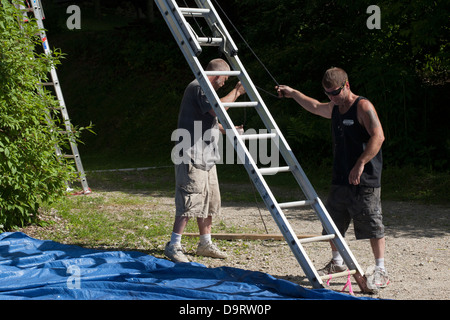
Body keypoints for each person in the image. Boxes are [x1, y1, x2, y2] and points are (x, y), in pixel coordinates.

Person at [276, 67, 389, 291]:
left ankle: (380, 269)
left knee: (372, 223)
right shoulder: (335, 107)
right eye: (328, 93)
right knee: (332, 223)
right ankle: (337, 263)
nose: (331, 98)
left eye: (335, 93)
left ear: (346, 85)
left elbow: (379, 136)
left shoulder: (362, 106)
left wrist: (360, 163)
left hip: (364, 178)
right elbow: (316, 107)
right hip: (340, 176)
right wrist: (293, 92)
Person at [165, 58, 245, 263]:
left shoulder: (206, 90)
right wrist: (236, 92)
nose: (224, 83)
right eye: (224, 79)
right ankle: (174, 245)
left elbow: (209, 119)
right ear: (217, 75)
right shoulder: (199, 87)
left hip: (207, 156)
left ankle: (205, 243)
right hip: (191, 155)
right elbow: (216, 109)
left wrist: (228, 130)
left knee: (208, 202)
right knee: (189, 200)